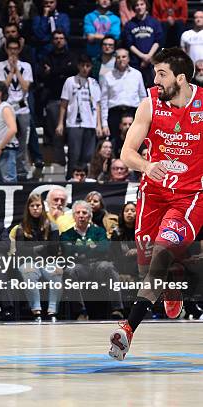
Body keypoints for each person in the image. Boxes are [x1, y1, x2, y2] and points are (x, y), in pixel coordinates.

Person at [108, 48, 203, 361]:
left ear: (180, 77)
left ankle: (128, 329)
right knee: (147, 267)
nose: (155, 80)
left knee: (163, 251)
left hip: (190, 199)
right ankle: (171, 286)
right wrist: (147, 166)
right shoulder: (149, 104)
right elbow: (126, 152)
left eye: (161, 74)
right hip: (153, 194)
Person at [13, 193, 62, 322]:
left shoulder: (52, 226)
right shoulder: (21, 227)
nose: (35, 208)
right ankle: (36, 310)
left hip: (47, 261)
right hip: (28, 262)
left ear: (42, 207)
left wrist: (33, 249)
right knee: (29, 271)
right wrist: (39, 248)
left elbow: (54, 248)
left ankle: (52, 311)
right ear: (28, 208)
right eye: (32, 205)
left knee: (56, 272)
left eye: (38, 205)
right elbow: (20, 251)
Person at [56, 54, 103, 178]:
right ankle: (70, 180)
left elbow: (97, 105)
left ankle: (86, 180)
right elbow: (64, 104)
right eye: (82, 66)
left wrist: (99, 125)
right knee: (74, 155)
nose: (85, 68)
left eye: (87, 66)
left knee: (88, 156)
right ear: (78, 66)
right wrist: (60, 123)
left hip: (90, 123)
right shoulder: (70, 81)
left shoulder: (94, 82)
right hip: (74, 123)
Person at [0, 37, 34, 180]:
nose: (13, 52)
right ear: (6, 49)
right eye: (10, 49)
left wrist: (17, 70)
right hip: (7, 107)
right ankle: (5, 167)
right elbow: (2, 87)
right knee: (6, 137)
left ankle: (21, 168)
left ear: (19, 49)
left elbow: (25, 87)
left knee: (23, 139)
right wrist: (10, 71)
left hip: (22, 107)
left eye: (15, 49)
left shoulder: (26, 66)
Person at [39, 30, 78, 165]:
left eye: (61, 38)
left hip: (73, 101)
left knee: (73, 133)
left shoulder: (72, 56)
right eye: (56, 38)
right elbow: (43, 75)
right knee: (58, 132)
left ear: (65, 40)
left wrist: (54, 71)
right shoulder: (46, 57)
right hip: (54, 98)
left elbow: (73, 71)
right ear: (52, 41)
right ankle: (60, 161)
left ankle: (74, 164)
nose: (59, 40)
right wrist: (62, 71)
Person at [123, 0, 162, 86]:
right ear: (134, 8)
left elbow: (158, 41)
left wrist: (148, 56)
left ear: (146, 6)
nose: (139, 7)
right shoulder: (129, 24)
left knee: (154, 87)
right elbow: (129, 44)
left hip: (152, 61)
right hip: (136, 62)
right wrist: (143, 56)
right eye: (137, 5)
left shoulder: (154, 22)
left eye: (142, 4)